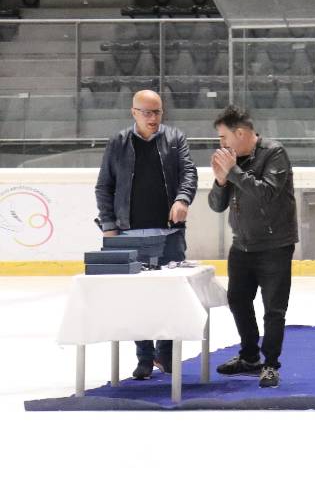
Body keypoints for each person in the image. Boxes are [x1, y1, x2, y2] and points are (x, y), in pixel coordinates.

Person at [94, 89, 197, 380]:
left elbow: (189, 174)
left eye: (157, 112)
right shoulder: (118, 142)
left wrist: (182, 199)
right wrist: (109, 225)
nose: (153, 118)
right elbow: (104, 186)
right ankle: (144, 356)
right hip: (129, 234)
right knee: (135, 299)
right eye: (147, 112)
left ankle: (165, 353)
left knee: (171, 297)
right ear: (134, 112)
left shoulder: (175, 138)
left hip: (169, 234)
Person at [209, 106, 297, 389]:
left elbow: (267, 193)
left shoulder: (274, 153)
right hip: (242, 245)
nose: (222, 144)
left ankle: (270, 364)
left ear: (240, 133)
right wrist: (221, 180)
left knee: (274, 309)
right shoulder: (233, 161)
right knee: (237, 300)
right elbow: (216, 205)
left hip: (274, 245)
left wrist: (233, 172)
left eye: (224, 137)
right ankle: (249, 356)